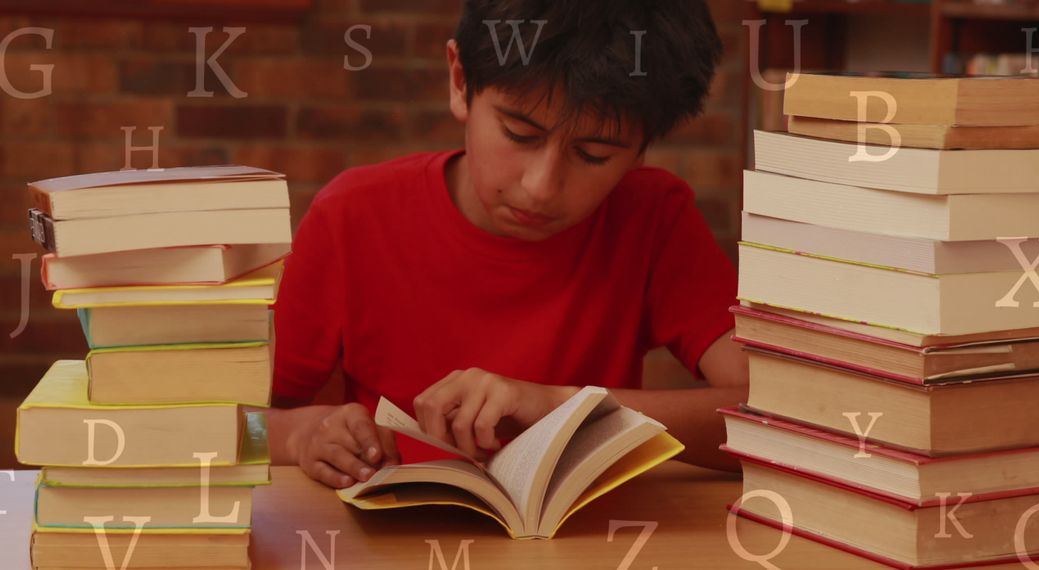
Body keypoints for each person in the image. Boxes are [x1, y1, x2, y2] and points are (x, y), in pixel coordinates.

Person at [265, 0, 748, 489]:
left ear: (643, 148)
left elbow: (784, 420)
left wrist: (564, 408)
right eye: (519, 134)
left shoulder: (652, 218)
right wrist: (302, 435)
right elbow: (225, 421)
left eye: (594, 155)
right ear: (460, 82)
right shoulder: (352, 217)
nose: (541, 187)